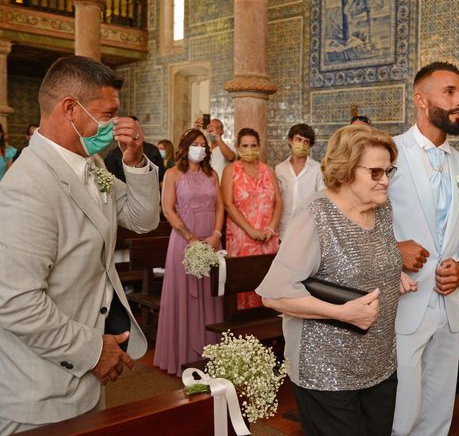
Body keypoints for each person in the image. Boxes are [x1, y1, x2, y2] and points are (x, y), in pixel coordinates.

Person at [0, 55, 160, 434]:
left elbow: (141, 219)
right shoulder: (27, 188)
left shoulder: (93, 165)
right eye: (107, 115)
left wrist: (135, 161)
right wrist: (92, 351)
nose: (114, 126)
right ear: (70, 108)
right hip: (39, 388)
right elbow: (15, 301)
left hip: (86, 376)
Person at [257, 125, 410, 436]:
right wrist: (343, 313)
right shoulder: (317, 215)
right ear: (346, 169)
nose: (386, 180)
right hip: (326, 369)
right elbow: (273, 295)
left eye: (389, 170)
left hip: (379, 362)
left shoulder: (381, 209)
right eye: (376, 172)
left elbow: (370, 258)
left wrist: (395, 272)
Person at [388, 62, 459, 436]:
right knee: (401, 410)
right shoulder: (389, 153)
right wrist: (394, 251)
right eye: (450, 93)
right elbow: (356, 223)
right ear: (421, 100)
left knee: (440, 407)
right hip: (403, 302)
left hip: (447, 303)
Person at [154, 129, 224, 376]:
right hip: (184, 240)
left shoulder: (212, 174)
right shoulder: (173, 173)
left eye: (202, 145)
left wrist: (216, 234)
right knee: (184, 295)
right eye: (194, 144)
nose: (199, 148)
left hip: (211, 240)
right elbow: (168, 209)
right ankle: (182, 356)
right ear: (184, 147)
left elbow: (220, 206)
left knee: (210, 294)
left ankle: (208, 355)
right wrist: (191, 239)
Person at [221, 127, 282, 309]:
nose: (249, 149)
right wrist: (250, 230)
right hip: (241, 237)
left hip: (268, 237)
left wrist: (271, 228)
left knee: (267, 284)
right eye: (245, 145)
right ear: (238, 147)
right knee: (242, 285)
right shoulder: (230, 170)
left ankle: (268, 331)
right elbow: (227, 204)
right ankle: (242, 334)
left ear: (259, 146)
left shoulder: (268, 170)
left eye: (253, 145)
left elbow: (279, 202)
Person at [275, 123, 325, 238]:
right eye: (298, 139)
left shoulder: (317, 169)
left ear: (310, 146)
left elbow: (322, 199)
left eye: (306, 142)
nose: (301, 145)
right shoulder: (280, 168)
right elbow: (276, 199)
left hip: (308, 228)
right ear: (290, 141)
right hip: (284, 228)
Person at [104, 115, 166, 183]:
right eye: (130, 129)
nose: (134, 132)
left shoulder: (153, 150)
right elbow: (111, 180)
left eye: (136, 128)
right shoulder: (113, 154)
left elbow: (161, 176)